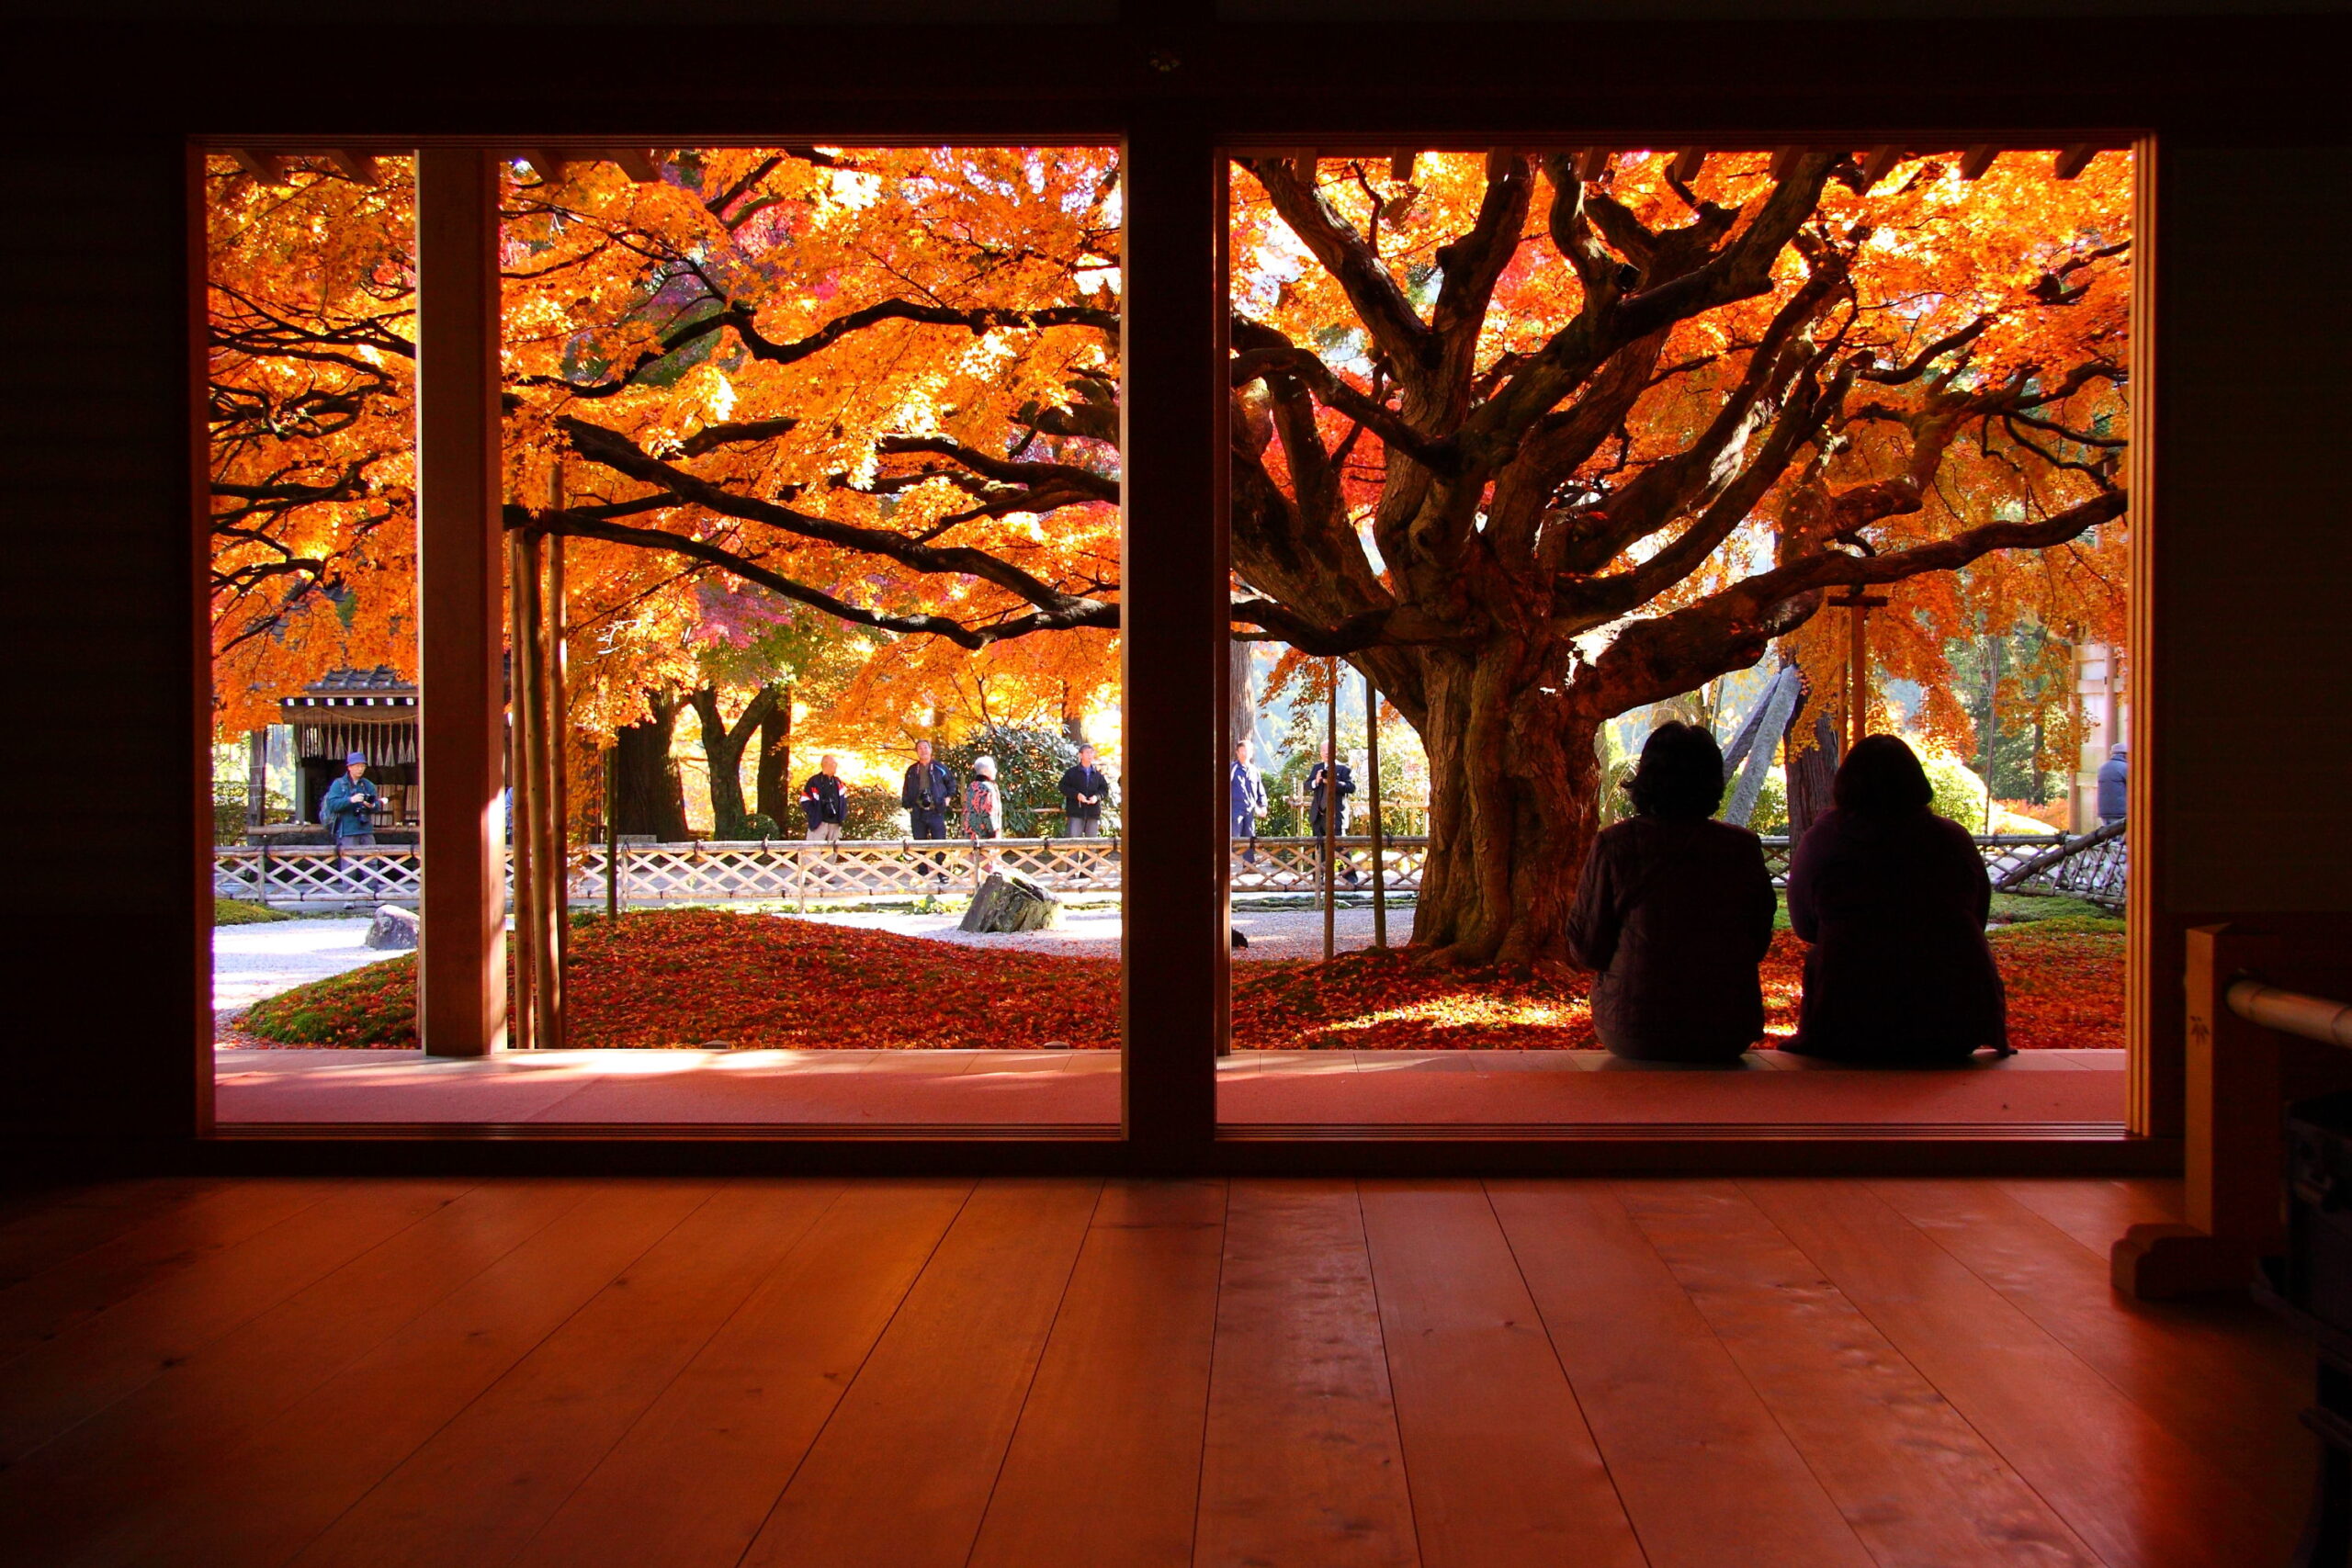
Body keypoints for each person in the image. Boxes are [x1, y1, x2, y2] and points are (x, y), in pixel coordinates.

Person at [1784, 733, 2013, 1065]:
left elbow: (1804, 926)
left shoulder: (1826, 839)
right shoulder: (1951, 838)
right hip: (1955, 1014)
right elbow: (1976, 917)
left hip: (1850, 1016)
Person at [1565, 722, 1778, 1065]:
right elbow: (1756, 941)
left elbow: (1588, 947)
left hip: (1634, 1028)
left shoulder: (1615, 845)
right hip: (1726, 1028)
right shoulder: (1742, 848)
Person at [1306, 741, 1359, 885]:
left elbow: (1351, 787)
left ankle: (1350, 877)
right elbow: (1307, 785)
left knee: (1341, 846)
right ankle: (1318, 877)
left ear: (1335, 751)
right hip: (1318, 815)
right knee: (1318, 847)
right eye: (1323, 751)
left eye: (1329, 751)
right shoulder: (1317, 768)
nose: (1326, 753)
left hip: (1336, 816)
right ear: (1320, 753)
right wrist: (1316, 781)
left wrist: (1332, 782)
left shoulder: (1343, 769)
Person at [901, 739, 955, 882]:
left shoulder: (940, 768)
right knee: (919, 842)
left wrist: (947, 799)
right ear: (917, 751)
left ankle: (941, 872)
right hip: (918, 811)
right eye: (920, 748)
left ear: (930, 750)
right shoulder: (912, 770)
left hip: (935, 810)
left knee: (940, 841)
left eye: (925, 747)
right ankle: (922, 873)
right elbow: (906, 789)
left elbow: (951, 784)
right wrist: (908, 805)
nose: (923, 750)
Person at [320, 750, 380, 848]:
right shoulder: (339, 784)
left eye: (363, 766)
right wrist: (350, 800)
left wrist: (371, 805)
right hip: (347, 831)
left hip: (366, 830)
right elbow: (332, 805)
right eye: (357, 766)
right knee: (349, 861)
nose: (360, 769)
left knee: (371, 861)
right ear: (349, 767)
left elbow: (377, 805)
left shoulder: (367, 785)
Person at [1058, 743, 1112, 838]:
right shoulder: (1072, 772)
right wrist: (1077, 795)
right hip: (1075, 812)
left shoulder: (1097, 774)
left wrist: (1096, 797)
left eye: (1092, 753)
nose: (1090, 755)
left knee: (1091, 845)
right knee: (1073, 843)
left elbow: (1104, 790)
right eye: (1087, 753)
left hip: (1093, 813)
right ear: (1080, 755)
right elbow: (1063, 787)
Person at [1228, 739, 1269, 863]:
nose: (1246, 753)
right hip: (1234, 809)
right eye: (1243, 750)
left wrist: (1263, 806)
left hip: (1250, 809)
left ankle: (1249, 866)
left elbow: (1260, 790)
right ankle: (1228, 867)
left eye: (1248, 750)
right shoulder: (1232, 768)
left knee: (1250, 837)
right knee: (1234, 837)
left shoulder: (1254, 770)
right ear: (1237, 752)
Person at [799, 753, 848, 844]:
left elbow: (844, 801)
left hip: (835, 824)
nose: (836, 767)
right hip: (819, 824)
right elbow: (805, 801)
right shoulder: (814, 782)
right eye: (834, 764)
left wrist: (842, 816)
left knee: (832, 854)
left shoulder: (838, 782)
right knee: (813, 854)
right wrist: (815, 814)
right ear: (826, 764)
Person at [963, 755, 1004, 840]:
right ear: (986, 771)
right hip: (985, 838)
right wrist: (993, 834)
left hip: (970, 836)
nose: (995, 770)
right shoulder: (988, 788)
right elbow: (988, 813)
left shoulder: (971, 787)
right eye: (993, 768)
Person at [2096, 742, 2128, 824]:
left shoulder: (2103, 767)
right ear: (2125, 754)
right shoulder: (2125, 767)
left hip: (2104, 811)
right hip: (2121, 811)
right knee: (2121, 835)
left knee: (2109, 834)